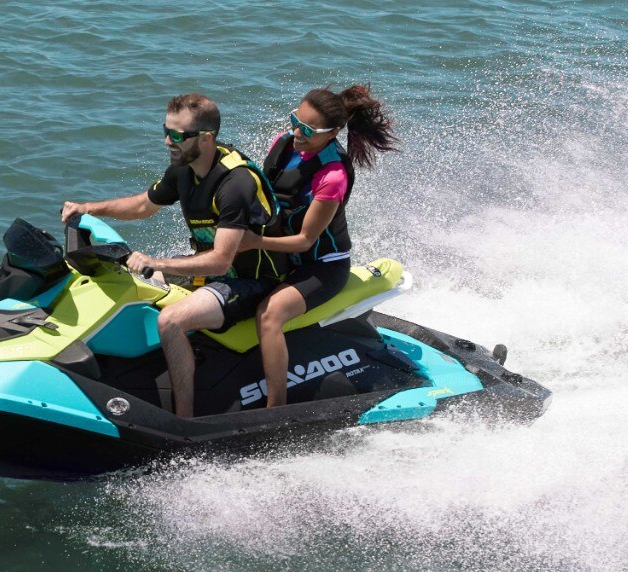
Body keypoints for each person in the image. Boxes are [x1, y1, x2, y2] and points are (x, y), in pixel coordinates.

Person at [61, 93, 283, 418]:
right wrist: (88, 208)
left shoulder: (234, 185)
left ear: (206, 138)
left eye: (178, 135)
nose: (168, 141)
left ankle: (184, 419)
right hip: (215, 273)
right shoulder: (183, 170)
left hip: (251, 281)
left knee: (170, 321)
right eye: (165, 130)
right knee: (136, 284)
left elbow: (222, 260)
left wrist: (157, 262)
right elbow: (142, 206)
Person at [241, 85, 399, 408]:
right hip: (278, 256)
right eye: (295, 121)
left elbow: (305, 240)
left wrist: (253, 242)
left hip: (322, 266)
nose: (297, 132)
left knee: (268, 315)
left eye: (308, 130)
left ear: (333, 133)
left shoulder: (333, 175)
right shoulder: (283, 144)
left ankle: (275, 408)